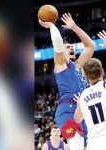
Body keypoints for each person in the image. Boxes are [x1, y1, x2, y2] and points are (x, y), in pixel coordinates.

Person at [39, 12, 95, 150]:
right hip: (67, 112)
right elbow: (58, 43)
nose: (72, 47)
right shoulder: (61, 64)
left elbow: (91, 46)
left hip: (83, 111)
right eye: (68, 46)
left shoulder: (79, 65)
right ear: (61, 52)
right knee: (76, 145)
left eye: (72, 46)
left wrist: (74, 27)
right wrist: (52, 26)